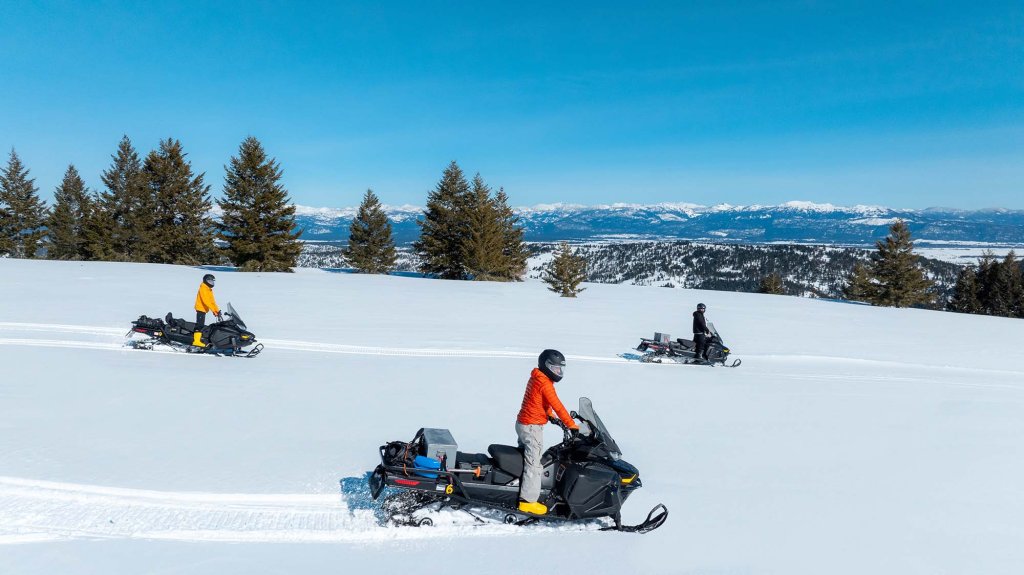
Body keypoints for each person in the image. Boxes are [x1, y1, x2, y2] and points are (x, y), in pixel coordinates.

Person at [515, 349, 579, 515]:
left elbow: (537, 401)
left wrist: (550, 416)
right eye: (556, 368)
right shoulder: (545, 383)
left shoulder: (537, 377)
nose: (559, 372)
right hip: (532, 427)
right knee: (534, 464)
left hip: (524, 423)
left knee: (525, 459)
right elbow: (557, 404)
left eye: (561, 369)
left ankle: (517, 488)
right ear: (547, 366)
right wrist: (571, 425)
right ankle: (528, 501)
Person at [193, 273, 221, 347]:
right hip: (200, 309)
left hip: (204, 310)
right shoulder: (203, 288)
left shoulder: (209, 289)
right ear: (206, 281)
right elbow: (206, 301)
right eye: (210, 281)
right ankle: (196, 341)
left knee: (201, 325)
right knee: (199, 325)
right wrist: (213, 311)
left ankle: (201, 339)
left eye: (213, 281)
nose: (212, 283)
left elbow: (212, 302)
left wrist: (217, 310)